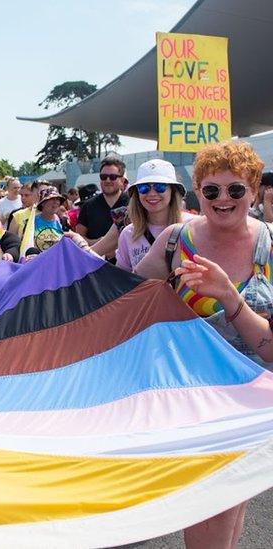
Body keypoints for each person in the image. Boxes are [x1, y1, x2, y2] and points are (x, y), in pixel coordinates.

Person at [134, 140, 269, 548]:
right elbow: (124, 303)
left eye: (235, 189)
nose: (222, 199)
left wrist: (230, 296)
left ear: (254, 189)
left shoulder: (270, 244)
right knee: (212, 507)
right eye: (211, 190)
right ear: (197, 193)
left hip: (256, 405)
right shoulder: (175, 241)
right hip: (193, 401)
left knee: (233, 507)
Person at [88, 159, 194, 271]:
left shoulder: (192, 226)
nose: (152, 193)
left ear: (172, 190)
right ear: (137, 193)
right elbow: (123, 280)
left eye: (160, 187)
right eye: (144, 188)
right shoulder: (128, 233)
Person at [76, 157, 129, 244]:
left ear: (122, 180)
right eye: (103, 177)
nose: (107, 180)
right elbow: (78, 237)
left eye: (113, 177)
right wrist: (98, 242)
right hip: (96, 256)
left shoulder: (133, 204)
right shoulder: (88, 206)